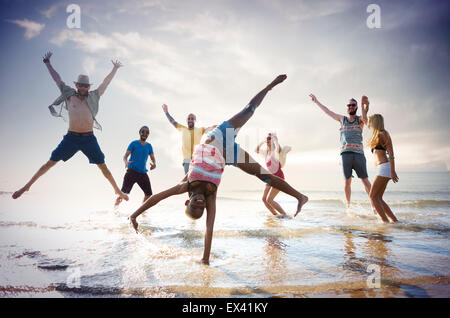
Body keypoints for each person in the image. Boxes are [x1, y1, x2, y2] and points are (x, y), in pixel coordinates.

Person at [130, 75, 308, 265]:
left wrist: (134, 215)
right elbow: (209, 228)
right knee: (265, 176)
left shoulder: (186, 185)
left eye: (194, 205)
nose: (199, 203)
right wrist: (205, 258)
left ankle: (269, 86)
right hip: (229, 154)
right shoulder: (210, 195)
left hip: (218, 136)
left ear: (187, 202)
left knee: (249, 110)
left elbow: (157, 197)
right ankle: (300, 197)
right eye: (201, 207)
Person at [12, 51, 128, 202]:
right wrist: (47, 63)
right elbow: (57, 79)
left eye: (86, 85)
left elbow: (105, 83)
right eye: (81, 85)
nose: (83, 87)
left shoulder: (94, 96)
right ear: (76, 85)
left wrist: (115, 69)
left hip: (89, 139)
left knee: (103, 166)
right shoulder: (68, 94)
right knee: (50, 163)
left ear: (88, 86)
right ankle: (26, 186)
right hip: (71, 138)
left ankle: (117, 190)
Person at [309, 94, 371, 209]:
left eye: (353, 105)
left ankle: (374, 204)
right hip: (345, 154)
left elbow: (366, 119)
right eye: (349, 105)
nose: (350, 107)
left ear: (356, 107)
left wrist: (363, 105)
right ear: (347, 107)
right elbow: (328, 112)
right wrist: (316, 101)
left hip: (358, 154)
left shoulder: (360, 120)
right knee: (347, 181)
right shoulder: (342, 119)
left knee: (365, 180)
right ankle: (348, 207)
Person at [366, 112, 399, 223]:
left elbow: (391, 154)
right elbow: (365, 121)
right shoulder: (376, 134)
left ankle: (385, 222)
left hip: (384, 167)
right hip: (383, 168)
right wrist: (364, 108)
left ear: (375, 123)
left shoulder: (383, 133)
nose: (369, 124)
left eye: (371, 122)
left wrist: (393, 171)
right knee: (378, 198)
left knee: (372, 196)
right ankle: (394, 221)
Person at [114, 126, 156, 208]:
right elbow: (125, 156)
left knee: (149, 194)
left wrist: (154, 164)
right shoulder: (133, 143)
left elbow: (153, 159)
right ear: (139, 132)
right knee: (123, 194)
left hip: (143, 173)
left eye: (147, 132)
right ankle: (115, 211)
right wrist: (126, 162)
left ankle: (141, 211)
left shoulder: (149, 146)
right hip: (131, 172)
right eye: (143, 131)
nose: (145, 133)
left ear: (148, 134)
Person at [162, 104, 205, 174]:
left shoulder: (200, 130)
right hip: (187, 160)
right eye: (189, 118)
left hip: (197, 159)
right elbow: (173, 121)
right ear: (186, 120)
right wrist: (166, 112)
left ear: (195, 120)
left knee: (198, 179)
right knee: (188, 180)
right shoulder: (183, 129)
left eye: (192, 118)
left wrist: (222, 126)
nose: (190, 120)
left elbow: (211, 128)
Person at [256, 133, 290, 216]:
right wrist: (262, 142)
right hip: (270, 178)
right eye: (267, 138)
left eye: (269, 139)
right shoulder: (266, 153)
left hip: (278, 177)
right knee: (264, 199)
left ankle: (285, 216)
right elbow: (256, 150)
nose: (268, 140)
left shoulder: (275, 151)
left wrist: (275, 139)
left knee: (270, 200)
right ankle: (275, 215)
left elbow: (278, 148)